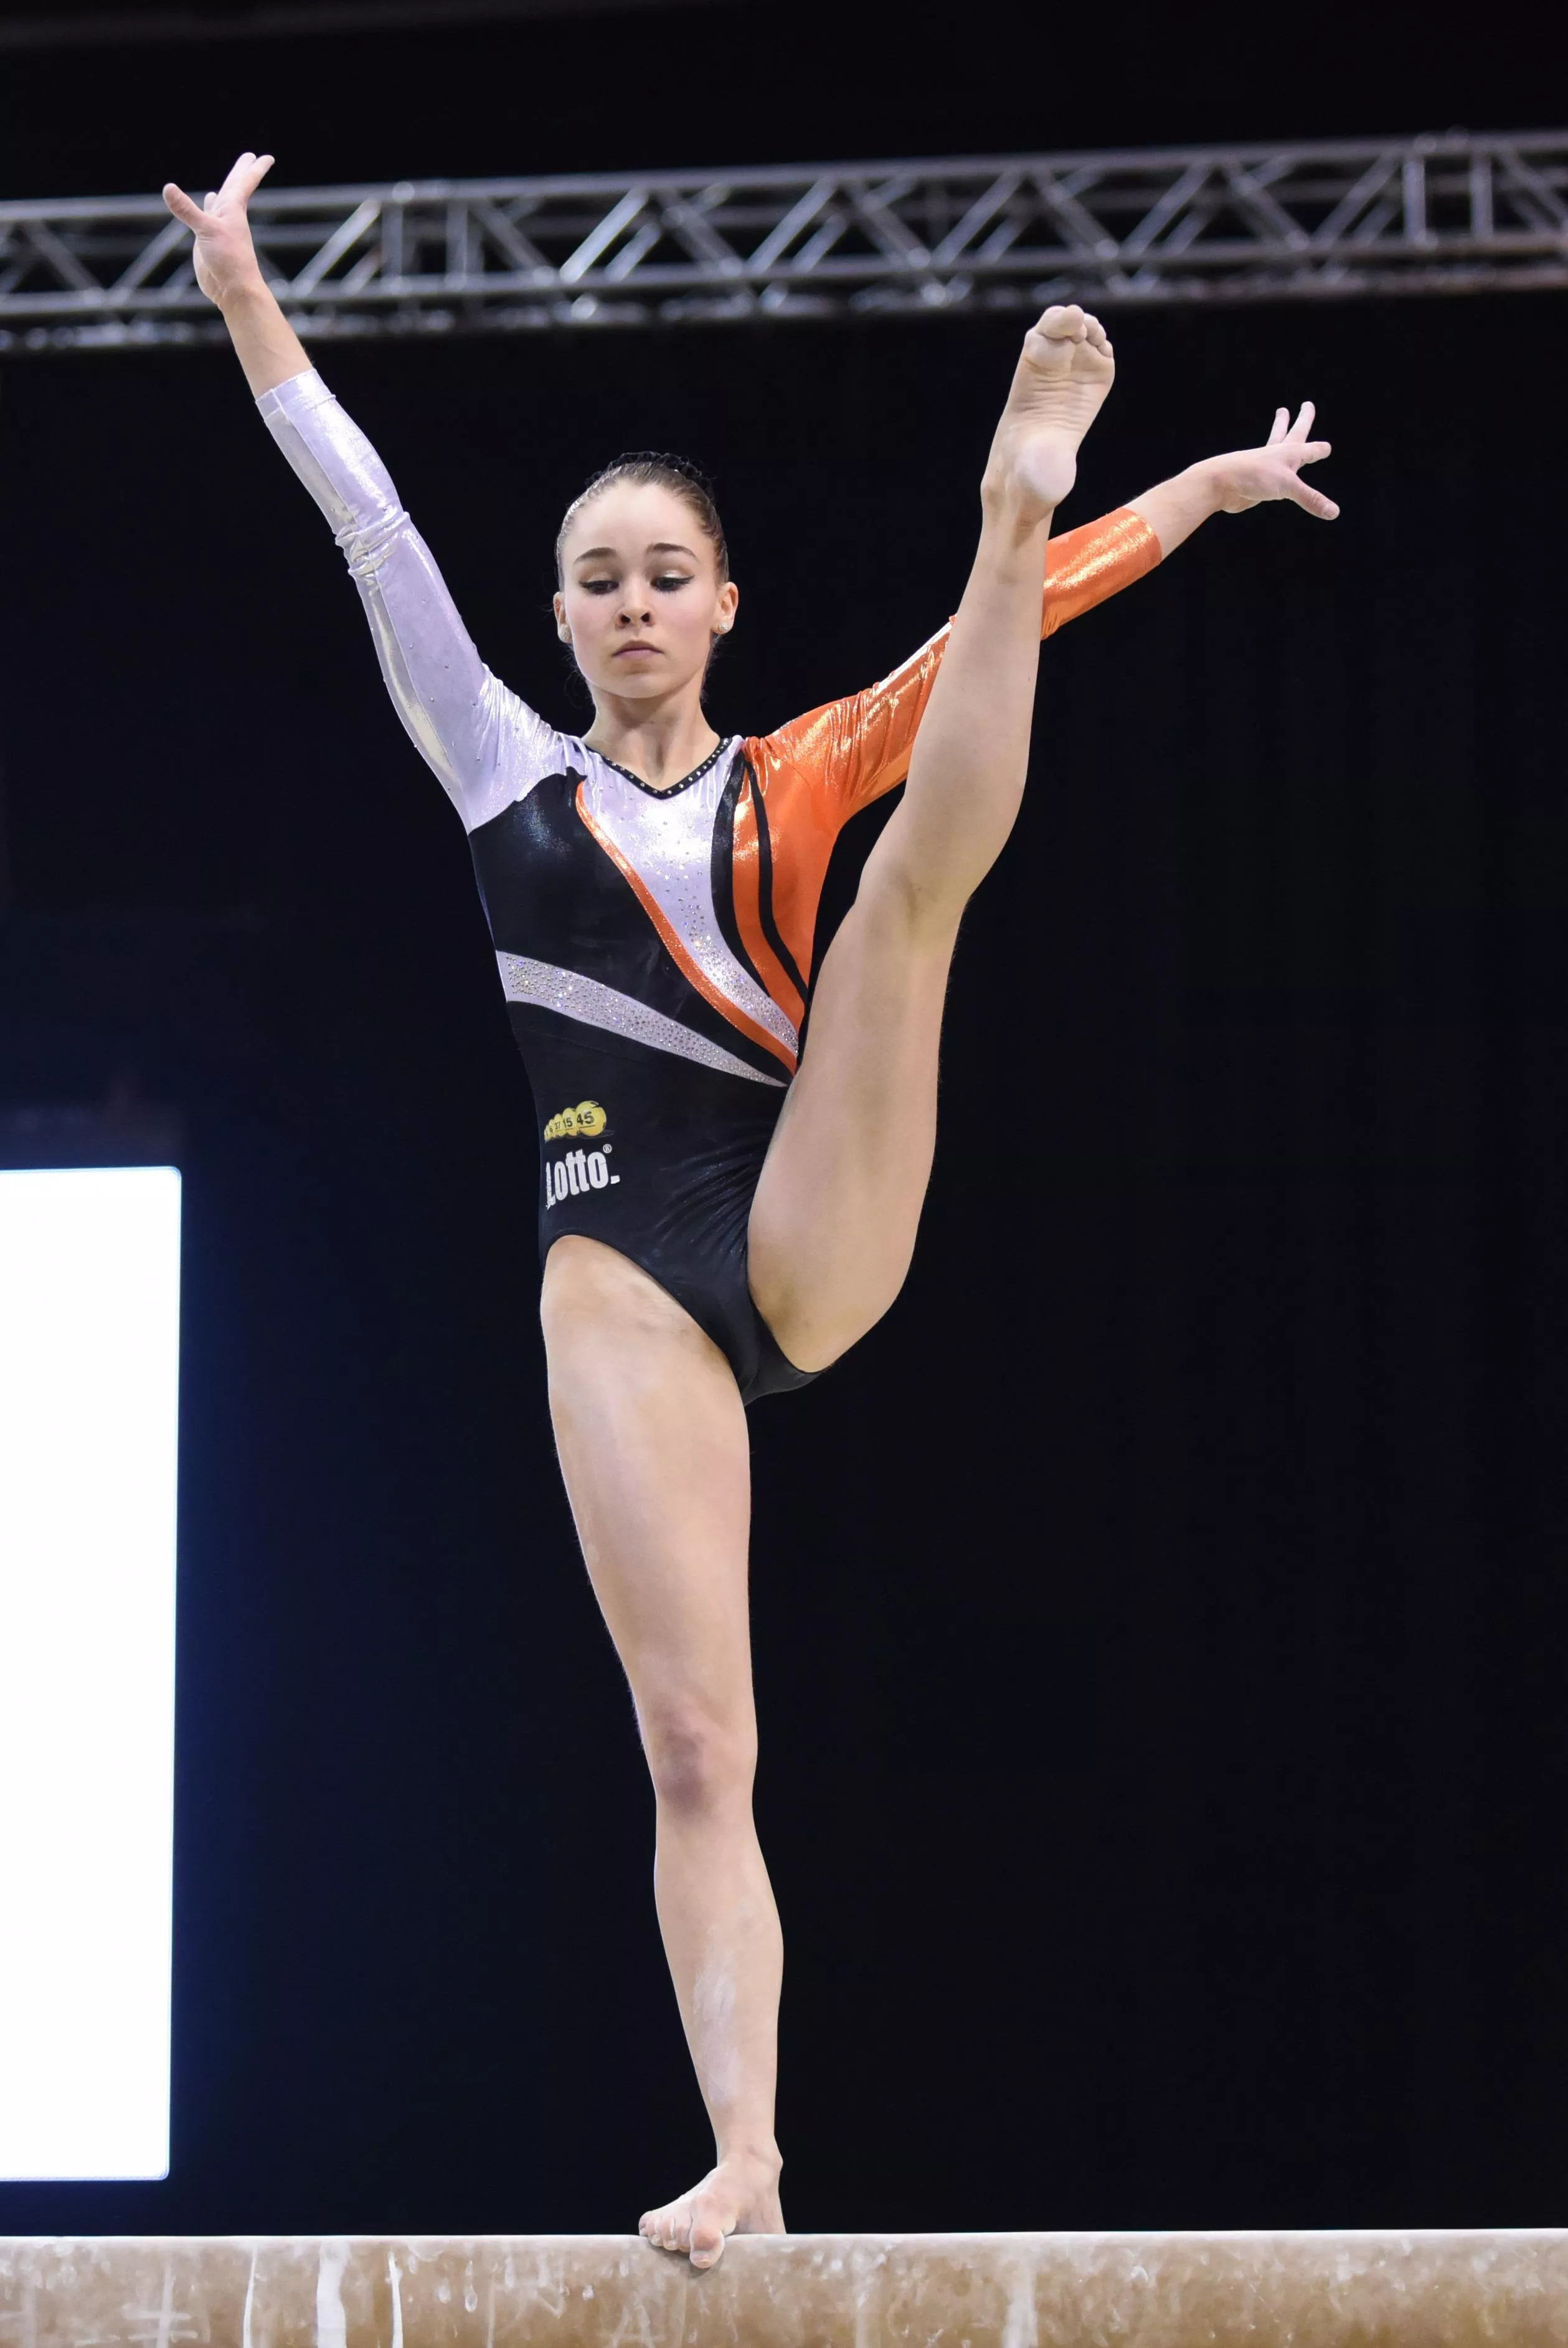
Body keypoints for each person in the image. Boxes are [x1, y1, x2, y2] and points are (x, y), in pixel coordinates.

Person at [163, 151, 1338, 2269]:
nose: (626, 601)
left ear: (721, 604)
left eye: (664, 571)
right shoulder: (496, 766)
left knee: (904, 899)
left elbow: (1066, 610)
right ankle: (753, 2160)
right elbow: (363, 519)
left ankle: (1001, 495)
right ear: (555, 614)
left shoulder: (785, 768)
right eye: (595, 574)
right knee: (699, 1739)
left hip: (805, 1214)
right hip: (621, 1268)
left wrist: (1183, 500)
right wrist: (242, 288)